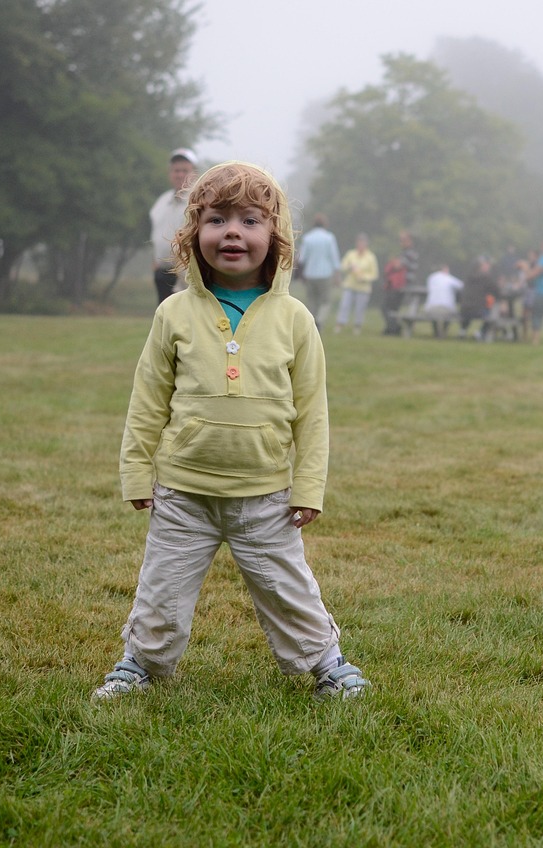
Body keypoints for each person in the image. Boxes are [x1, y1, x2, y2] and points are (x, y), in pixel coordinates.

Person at [93, 161, 368, 704]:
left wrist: (309, 486)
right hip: (183, 493)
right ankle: (141, 663)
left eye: (250, 220)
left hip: (266, 495)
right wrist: (136, 470)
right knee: (162, 589)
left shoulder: (295, 319)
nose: (233, 232)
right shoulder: (174, 313)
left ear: (277, 236)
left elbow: (313, 413)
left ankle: (325, 664)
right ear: (194, 234)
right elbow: (148, 398)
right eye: (217, 219)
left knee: (288, 589)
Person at [148, 148, 198, 304]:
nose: (180, 175)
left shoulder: (197, 201)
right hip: (162, 271)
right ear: (170, 173)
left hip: (185, 274)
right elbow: (156, 233)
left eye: (185, 170)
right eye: (176, 170)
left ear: (194, 173)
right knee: (163, 320)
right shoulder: (162, 201)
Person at [295, 214, 341, 328]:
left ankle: (312, 322)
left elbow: (302, 258)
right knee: (325, 301)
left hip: (310, 274)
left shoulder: (308, 238)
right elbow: (334, 257)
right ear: (325, 224)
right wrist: (337, 275)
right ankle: (319, 320)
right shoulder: (329, 237)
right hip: (325, 273)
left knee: (312, 301)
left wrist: (300, 275)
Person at [333, 233, 379, 334]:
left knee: (360, 308)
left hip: (363, 287)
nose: (361, 245)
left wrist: (364, 278)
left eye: (363, 243)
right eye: (359, 242)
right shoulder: (351, 254)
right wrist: (349, 267)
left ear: (366, 244)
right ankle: (340, 325)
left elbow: (374, 274)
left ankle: (357, 327)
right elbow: (342, 266)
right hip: (350, 285)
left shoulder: (370, 257)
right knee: (344, 305)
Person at [381, 230, 418, 336]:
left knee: (386, 307)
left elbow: (397, 265)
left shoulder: (410, 254)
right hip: (399, 286)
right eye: (401, 240)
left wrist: (392, 260)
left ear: (410, 241)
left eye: (404, 240)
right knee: (392, 308)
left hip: (401, 286)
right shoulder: (406, 253)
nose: (401, 242)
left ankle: (394, 328)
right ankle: (392, 328)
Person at [459, 256, 500, 340]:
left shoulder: (468, 277)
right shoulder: (486, 277)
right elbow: (496, 291)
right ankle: (481, 333)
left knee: (469, 308)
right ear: (481, 267)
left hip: (464, 310)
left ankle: (462, 331)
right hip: (478, 310)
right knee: (490, 314)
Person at [423, 263, 464, 338]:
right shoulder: (449, 278)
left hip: (430, 308)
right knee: (450, 313)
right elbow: (461, 286)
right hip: (446, 308)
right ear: (445, 269)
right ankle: (443, 332)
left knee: (434, 315)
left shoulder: (431, 277)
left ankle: (436, 333)